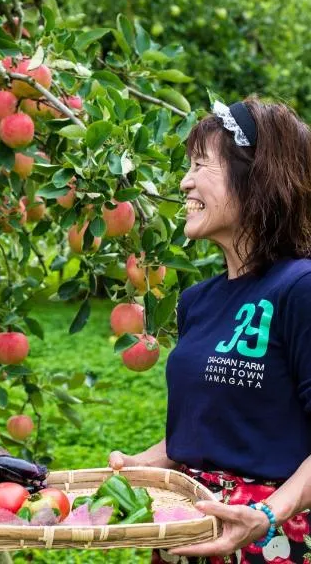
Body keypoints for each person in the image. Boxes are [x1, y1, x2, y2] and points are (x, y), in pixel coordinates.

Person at [109, 98, 311, 563]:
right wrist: (139, 465)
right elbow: (207, 431)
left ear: (257, 176)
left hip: (270, 541)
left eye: (201, 165)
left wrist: (268, 512)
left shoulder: (299, 289)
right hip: (191, 532)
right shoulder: (196, 302)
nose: (185, 181)